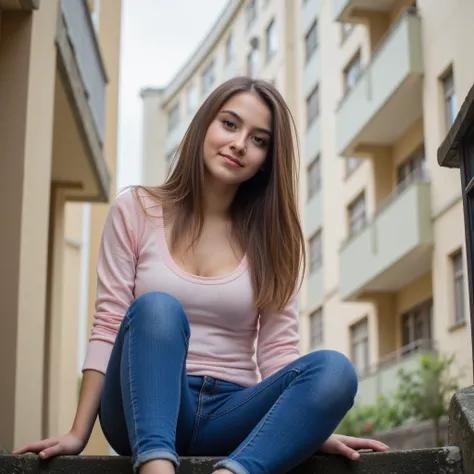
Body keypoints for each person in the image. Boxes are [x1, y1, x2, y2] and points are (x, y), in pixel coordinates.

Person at [13, 77, 389, 474]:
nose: (240, 144)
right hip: (140, 405)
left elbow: (279, 353)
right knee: (157, 309)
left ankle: (234, 472)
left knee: (335, 370)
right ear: (204, 125)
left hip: (232, 414)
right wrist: (78, 433)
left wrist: (303, 424)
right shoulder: (136, 210)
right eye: (230, 124)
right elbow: (108, 323)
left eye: (259, 140)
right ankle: (156, 467)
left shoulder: (273, 240)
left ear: (267, 160)